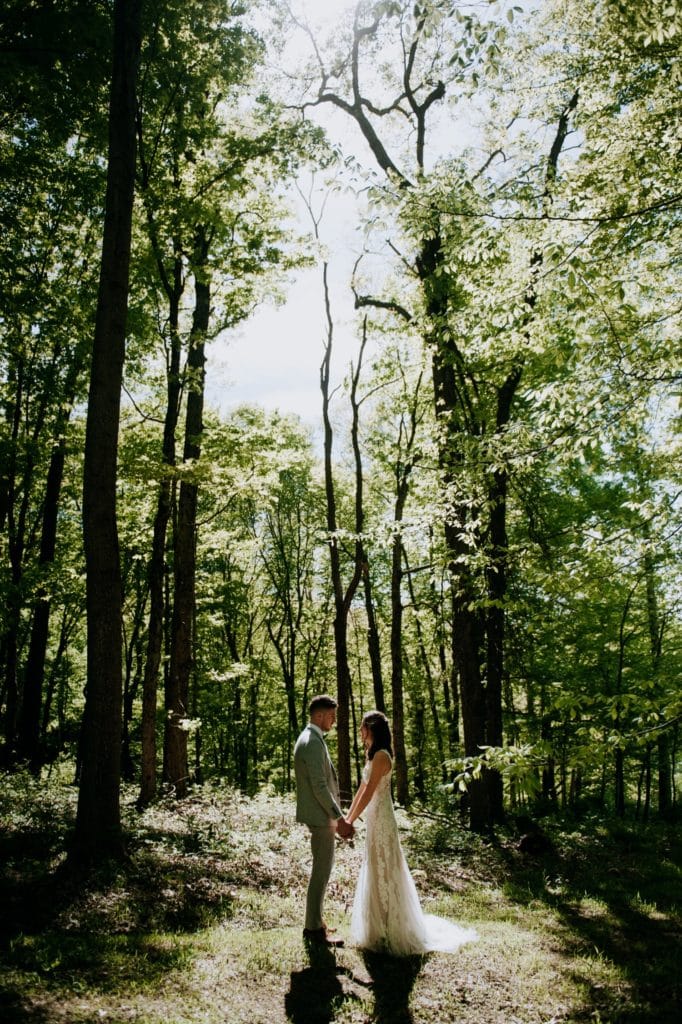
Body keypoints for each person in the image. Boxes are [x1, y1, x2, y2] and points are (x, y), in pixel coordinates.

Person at [346, 709, 477, 956]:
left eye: (363, 727)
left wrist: (351, 820)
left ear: (371, 729)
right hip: (373, 821)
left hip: (383, 821)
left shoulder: (382, 757)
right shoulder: (372, 756)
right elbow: (360, 789)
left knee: (386, 867)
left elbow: (370, 791)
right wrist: (347, 817)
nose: (360, 732)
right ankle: (379, 926)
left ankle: (390, 927)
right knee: (375, 866)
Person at [294, 694, 354, 947]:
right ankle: (313, 930)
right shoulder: (312, 741)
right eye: (331, 716)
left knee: (322, 870)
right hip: (321, 817)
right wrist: (338, 818)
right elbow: (319, 786)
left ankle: (316, 923)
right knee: (321, 872)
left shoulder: (311, 738)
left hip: (319, 816)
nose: (333, 721)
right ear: (319, 715)